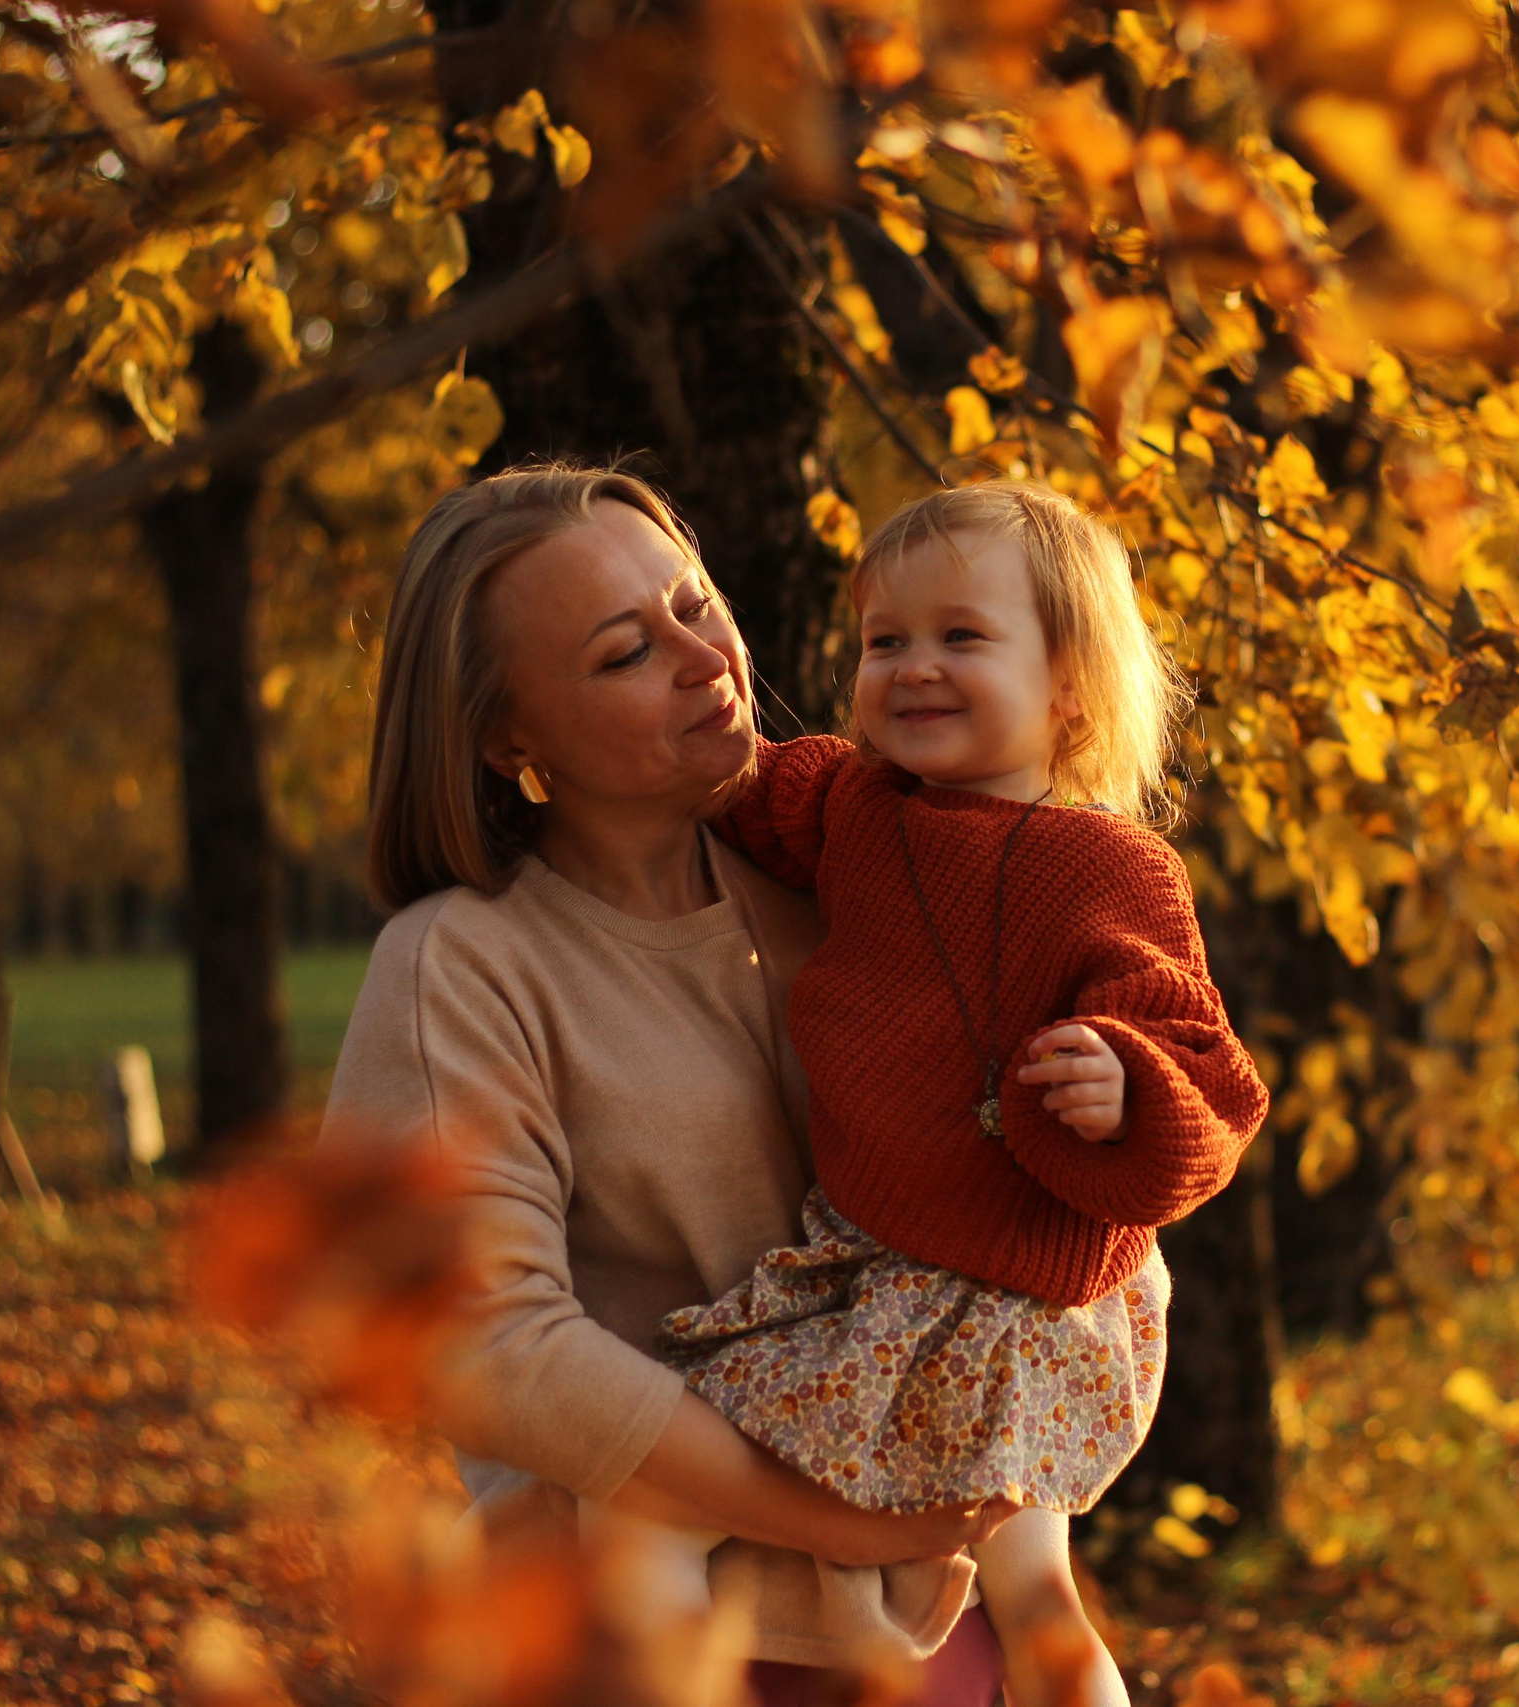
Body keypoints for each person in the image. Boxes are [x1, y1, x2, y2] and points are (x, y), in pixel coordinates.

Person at [319, 462, 1011, 1704]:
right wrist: (832, 1516)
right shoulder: (459, 967)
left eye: (696, 605)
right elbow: (490, 1348)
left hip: (924, 1615)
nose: (705, 661)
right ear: (503, 734)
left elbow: (1031, 1190)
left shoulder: (862, 882)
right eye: (625, 652)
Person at [605, 480, 1269, 1707]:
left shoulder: (1109, 867)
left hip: (1005, 1296)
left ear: (1069, 683)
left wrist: (1127, 1088)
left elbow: (1210, 1075)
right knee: (1020, 1585)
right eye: (882, 641)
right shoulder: (852, 806)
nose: (913, 668)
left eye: (962, 637)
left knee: (654, 1510)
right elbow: (728, 782)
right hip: (890, 1270)